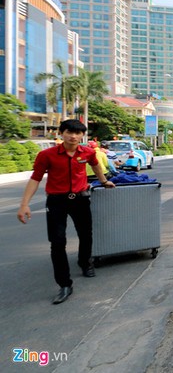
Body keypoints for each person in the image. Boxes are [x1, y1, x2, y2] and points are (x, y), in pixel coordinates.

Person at [16, 119, 116, 305]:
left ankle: (85, 263)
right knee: (57, 242)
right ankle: (64, 284)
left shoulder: (87, 152)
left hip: (80, 199)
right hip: (56, 201)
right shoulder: (47, 155)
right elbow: (35, 178)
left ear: (82, 135)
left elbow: (95, 165)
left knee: (86, 234)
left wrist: (103, 181)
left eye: (78, 133)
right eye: (69, 132)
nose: (73, 136)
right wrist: (24, 204)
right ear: (61, 133)